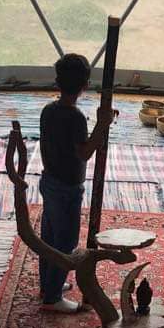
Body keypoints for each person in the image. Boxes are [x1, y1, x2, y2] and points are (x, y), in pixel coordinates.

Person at [37, 53, 112, 313]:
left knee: (49, 238)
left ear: (57, 82)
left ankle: (48, 285)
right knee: (65, 241)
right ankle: (52, 298)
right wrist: (102, 125)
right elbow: (85, 152)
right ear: (85, 85)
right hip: (67, 188)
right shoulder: (76, 117)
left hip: (49, 180)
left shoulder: (48, 111)